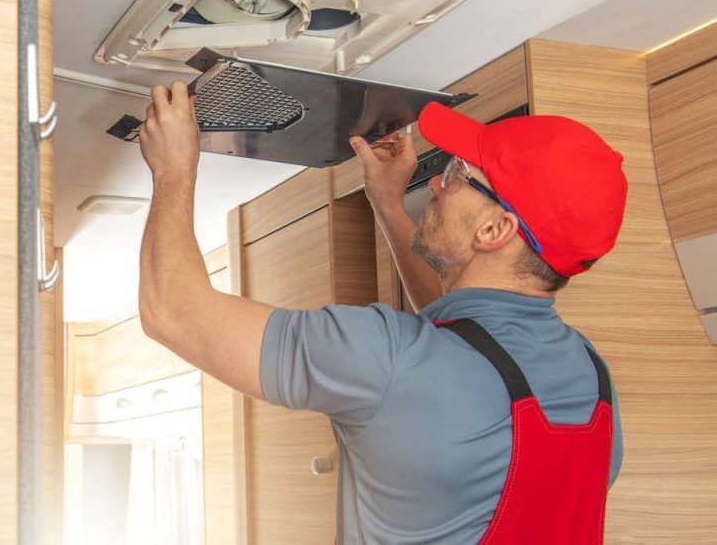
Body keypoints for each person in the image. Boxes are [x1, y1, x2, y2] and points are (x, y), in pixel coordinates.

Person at [137, 80, 626, 544]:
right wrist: (390, 204)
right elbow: (463, 346)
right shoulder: (589, 375)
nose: (436, 183)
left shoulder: (385, 357)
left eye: (459, 175)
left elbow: (173, 311)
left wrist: (173, 169)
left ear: (495, 229)